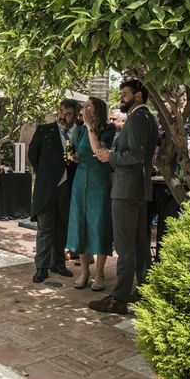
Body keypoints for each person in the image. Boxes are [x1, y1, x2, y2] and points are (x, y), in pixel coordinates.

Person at [90, 79, 158, 314]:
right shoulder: (145, 117)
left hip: (127, 190)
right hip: (135, 189)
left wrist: (111, 156)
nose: (122, 98)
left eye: (125, 94)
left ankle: (119, 298)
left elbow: (135, 156)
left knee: (125, 245)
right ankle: (143, 290)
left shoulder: (140, 117)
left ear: (138, 96)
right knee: (139, 244)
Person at [66, 97, 116, 291]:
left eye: (90, 106)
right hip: (80, 181)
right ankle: (84, 271)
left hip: (99, 181)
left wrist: (89, 127)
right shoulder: (78, 129)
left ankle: (100, 274)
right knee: (81, 225)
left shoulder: (108, 129)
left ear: (99, 110)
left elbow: (98, 151)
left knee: (99, 224)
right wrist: (72, 156)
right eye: (85, 106)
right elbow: (79, 155)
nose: (86, 109)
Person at [29, 99, 81, 283]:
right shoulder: (44, 130)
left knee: (61, 228)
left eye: (67, 113)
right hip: (46, 188)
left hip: (68, 188)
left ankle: (58, 264)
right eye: (60, 111)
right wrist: (45, 175)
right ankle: (41, 267)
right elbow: (32, 156)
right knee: (45, 229)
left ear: (75, 116)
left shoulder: (79, 133)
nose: (62, 116)